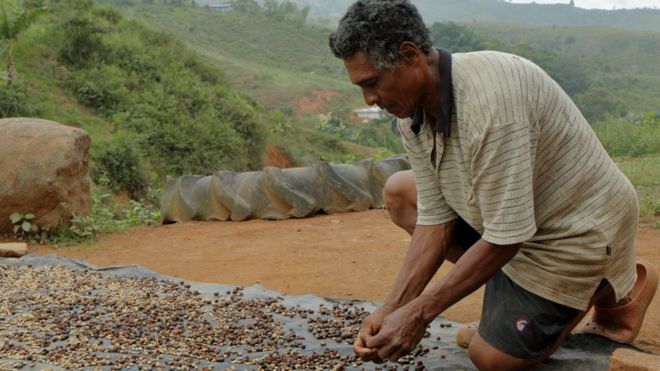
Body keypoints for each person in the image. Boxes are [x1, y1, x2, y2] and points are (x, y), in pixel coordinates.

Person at [328, 0, 658, 369]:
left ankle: (606, 287)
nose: (370, 99)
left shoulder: (491, 105)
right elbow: (435, 219)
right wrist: (393, 306)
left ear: (409, 55)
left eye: (372, 83)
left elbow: (507, 237)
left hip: (577, 232)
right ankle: (520, 301)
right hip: (519, 222)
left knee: (490, 357)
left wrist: (420, 314)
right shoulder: (412, 110)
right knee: (402, 193)